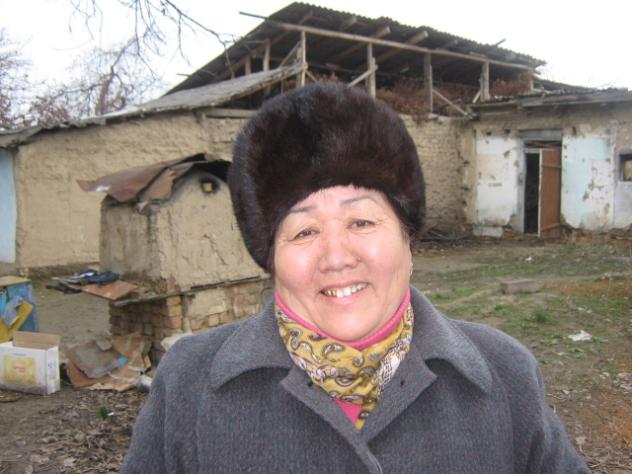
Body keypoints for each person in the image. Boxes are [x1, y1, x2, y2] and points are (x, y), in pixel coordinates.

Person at [122, 83, 589, 473]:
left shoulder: (505, 374)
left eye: (361, 222)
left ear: (408, 236)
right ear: (270, 257)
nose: (336, 258)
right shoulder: (187, 385)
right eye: (303, 231)